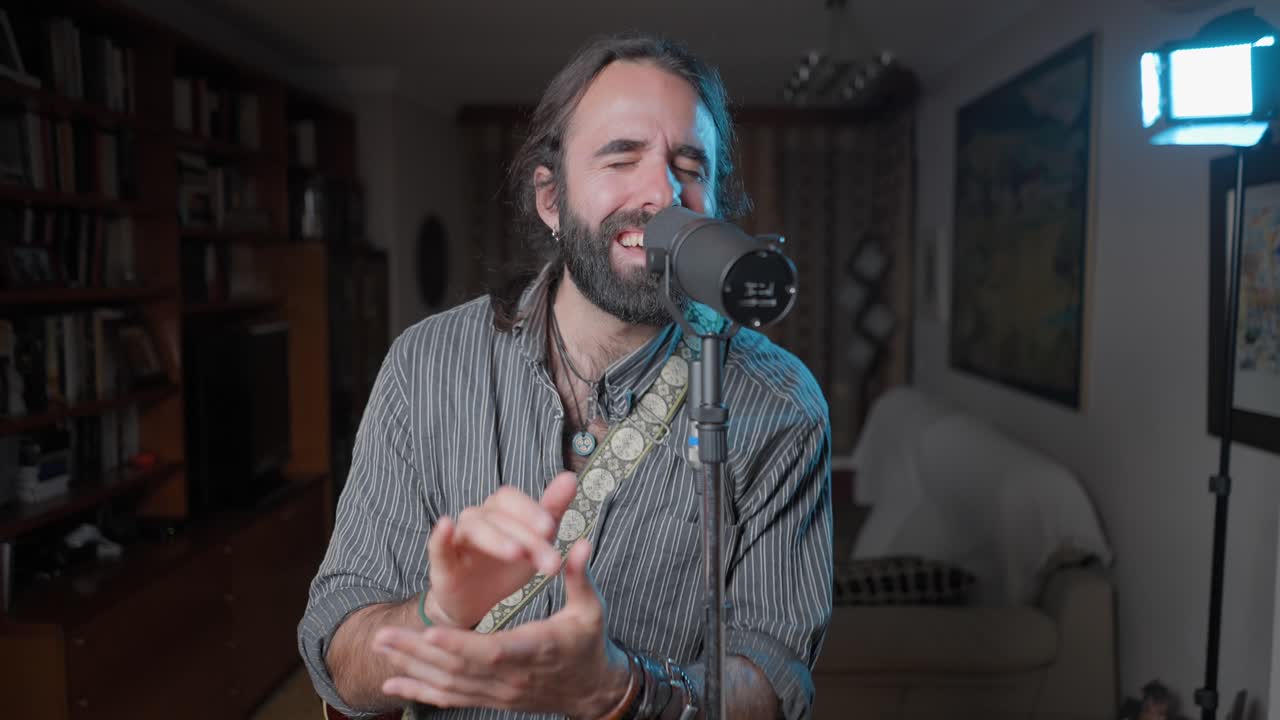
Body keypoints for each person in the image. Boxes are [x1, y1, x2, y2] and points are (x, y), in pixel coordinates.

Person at [298, 31, 833, 720]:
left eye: (689, 165)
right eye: (621, 157)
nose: (662, 192)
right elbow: (342, 663)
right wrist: (438, 612)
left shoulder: (782, 407)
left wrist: (623, 689)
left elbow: (774, 678)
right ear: (551, 200)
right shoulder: (422, 366)